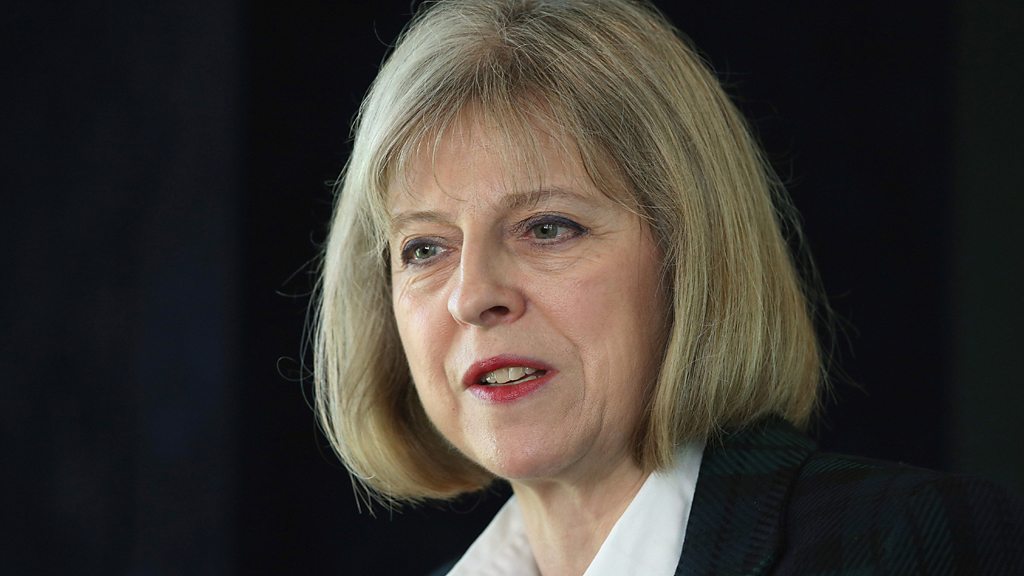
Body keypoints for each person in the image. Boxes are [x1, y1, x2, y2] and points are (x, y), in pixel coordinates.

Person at [313, 0, 1024, 573]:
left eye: (548, 228)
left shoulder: (907, 543)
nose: (472, 296)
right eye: (425, 248)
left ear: (690, 257)